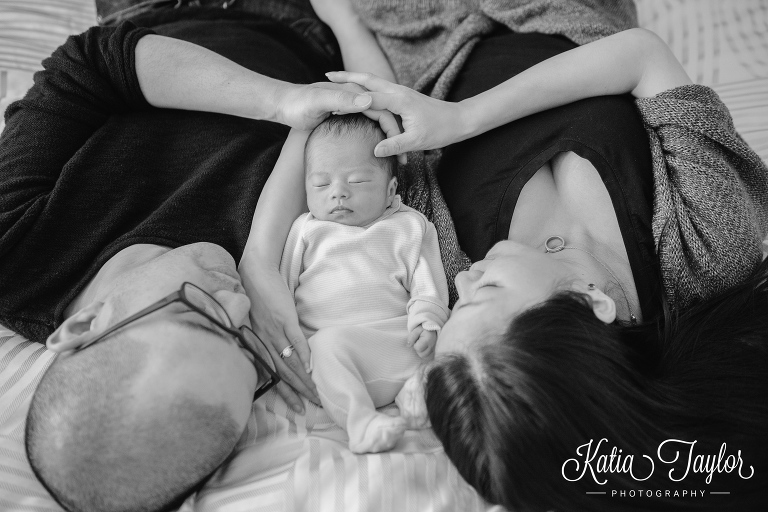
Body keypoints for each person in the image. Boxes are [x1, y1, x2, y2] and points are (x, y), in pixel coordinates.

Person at [253, 1, 768, 510]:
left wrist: (345, 16)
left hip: (420, 27)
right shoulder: (708, 252)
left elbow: (381, 131)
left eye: (459, 305)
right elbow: (642, 57)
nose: (465, 283)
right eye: (489, 291)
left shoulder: (443, 258)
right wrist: (460, 121)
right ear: (589, 303)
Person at [0, 2, 401, 511]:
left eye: (202, 318)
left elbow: (90, 64)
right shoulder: (289, 298)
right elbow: (369, 138)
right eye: (244, 350)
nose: (238, 307)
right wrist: (260, 252)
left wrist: (279, 101)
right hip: (310, 28)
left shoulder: (17, 253)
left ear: (84, 327)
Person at [256, 113, 448, 453]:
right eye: (321, 184)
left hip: (396, 341)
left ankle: (417, 391)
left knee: (449, 348)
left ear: (391, 191)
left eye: (357, 181)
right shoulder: (305, 230)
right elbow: (279, 293)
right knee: (327, 347)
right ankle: (361, 423)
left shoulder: (409, 226)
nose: (338, 193)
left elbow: (428, 283)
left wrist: (427, 320)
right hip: (330, 357)